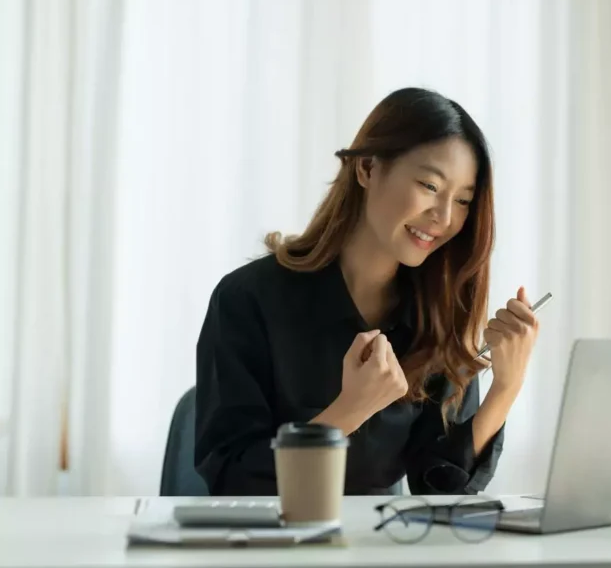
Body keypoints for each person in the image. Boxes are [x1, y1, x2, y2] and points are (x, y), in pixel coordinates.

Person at [194, 87, 540, 496]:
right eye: (430, 186)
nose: (444, 217)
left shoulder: (439, 315)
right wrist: (348, 411)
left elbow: (440, 489)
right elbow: (231, 477)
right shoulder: (248, 299)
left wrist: (506, 388)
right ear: (367, 168)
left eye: (463, 200)